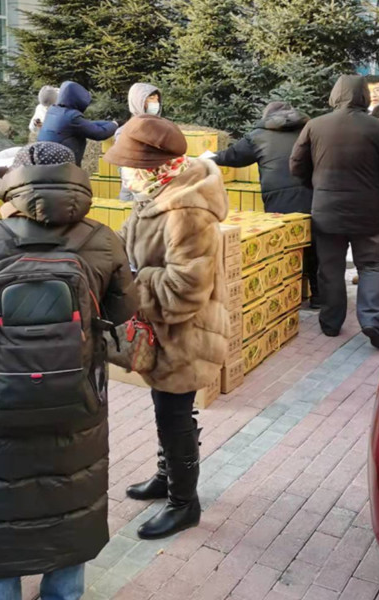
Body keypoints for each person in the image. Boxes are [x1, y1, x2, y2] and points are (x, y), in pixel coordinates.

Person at [0, 141, 137, 600]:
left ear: (14, 184)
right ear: (77, 181)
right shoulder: (103, 238)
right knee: (71, 498)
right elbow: (124, 310)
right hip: (76, 395)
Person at [104, 115, 229, 539]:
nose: (123, 174)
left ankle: (183, 502)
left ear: (152, 167)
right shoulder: (155, 196)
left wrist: (133, 279)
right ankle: (167, 477)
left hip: (186, 335)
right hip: (163, 331)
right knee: (167, 410)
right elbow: (125, 246)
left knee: (173, 414)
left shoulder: (186, 212)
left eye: (129, 167)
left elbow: (186, 289)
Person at [290, 74, 379, 350]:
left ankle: (331, 323)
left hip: (326, 208)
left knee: (330, 267)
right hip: (368, 208)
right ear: (363, 96)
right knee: (373, 265)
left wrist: (317, 186)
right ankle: (372, 320)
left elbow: (296, 165)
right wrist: (378, 190)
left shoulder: (315, 125)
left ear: (335, 95)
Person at [211, 101, 319, 307]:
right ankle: (319, 297)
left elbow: (233, 157)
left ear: (267, 116)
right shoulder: (310, 130)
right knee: (316, 247)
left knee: (284, 247)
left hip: (279, 199)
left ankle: (287, 298)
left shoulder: (259, 135)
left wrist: (207, 158)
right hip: (314, 194)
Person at [38, 81, 118, 166]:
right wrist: (116, 124)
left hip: (44, 164)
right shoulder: (71, 117)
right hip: (63, 168)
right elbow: (100, 133)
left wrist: (110, 123)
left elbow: (87, 125)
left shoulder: (53, 110)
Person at [117, 83, 162, 201]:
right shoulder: (125, 131)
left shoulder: (159, 129)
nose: (155, 103)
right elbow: (127, 169)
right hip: (135, 197)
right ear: (139, 101)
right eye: (151, 98)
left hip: (157, 193)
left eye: (157, 99)